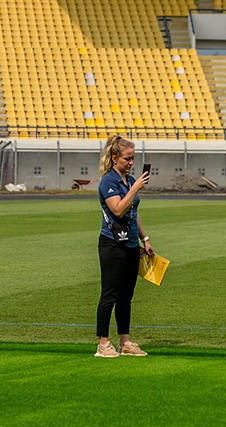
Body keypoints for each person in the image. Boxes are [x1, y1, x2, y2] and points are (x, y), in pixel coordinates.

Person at [95, 135, 154, 358]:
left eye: (133, 158)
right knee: (109, 293)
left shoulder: (128, 180)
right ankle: (102, 344)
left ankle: (125, 342)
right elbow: (118, 209)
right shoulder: (109, 182)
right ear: (114, 158)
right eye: (127, 159)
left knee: (126, 296)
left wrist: (144, 239)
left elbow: (133, 212)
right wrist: (136, 187)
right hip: (111, 244)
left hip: (129, 244)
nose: (131, 163)